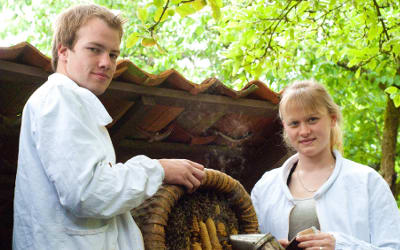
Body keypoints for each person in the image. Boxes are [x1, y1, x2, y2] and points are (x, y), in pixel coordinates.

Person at [13, 4, 205, 250]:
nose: (106, 62)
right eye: (94, 50)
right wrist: (158, 170)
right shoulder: (60, 98)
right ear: (64, 51)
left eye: (113, 54)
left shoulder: (71, 100)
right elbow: (88, 193)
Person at [251, 80, 400, 250]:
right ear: (285, 127)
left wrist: (341, 246)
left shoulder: (367, 182)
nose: (304, 131)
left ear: (332, 119)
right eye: (294, 123)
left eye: (312, 119)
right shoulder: (265, 188)